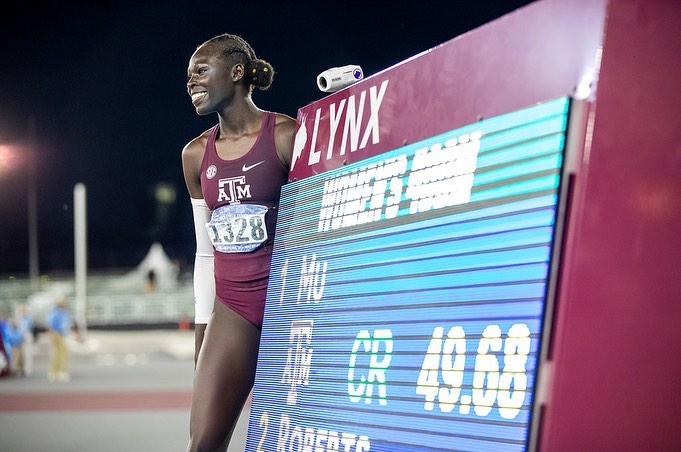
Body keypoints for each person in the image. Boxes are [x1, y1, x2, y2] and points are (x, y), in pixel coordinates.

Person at [182, 33, 296, 451]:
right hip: (234, 310)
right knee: (203, 443)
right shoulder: (196, 155)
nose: (191, 82)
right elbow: (204, 252)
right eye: (189, 75)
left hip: (290, 305)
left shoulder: (286, 135)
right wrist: (203, 325)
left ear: (236, 72)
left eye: (201, 70)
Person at [45, 296, 73, 382]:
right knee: (61, 353)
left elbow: (68, 323)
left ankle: (57, 371)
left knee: (61, 353)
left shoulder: (65, 312)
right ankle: (58, 372)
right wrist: (51, 334)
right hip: (57, 334)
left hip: (64, 334)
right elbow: (49, 324)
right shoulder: (55, 312)